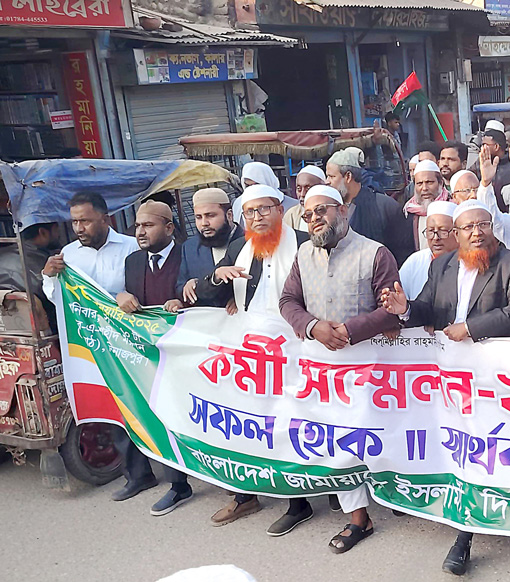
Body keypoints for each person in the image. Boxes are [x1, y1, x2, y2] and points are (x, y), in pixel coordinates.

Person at [379, 199, 510, 577]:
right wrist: (405, 309)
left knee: (493, 449)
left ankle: (505, 521)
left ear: (492, 227)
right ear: (456, 234)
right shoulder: (443, 265)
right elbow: (428, 309)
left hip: (497, 377)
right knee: (465, 450)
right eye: (468, 228)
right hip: (452, 378)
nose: (476, 233)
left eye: (483, 225)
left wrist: (471, 328)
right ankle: (464, 533)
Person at [278, 184, 400, 551]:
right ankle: (358, 518)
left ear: (343, 210)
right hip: (323, 370)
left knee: (376, 439)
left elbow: (391, 310)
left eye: (322, 210)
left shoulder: (375, 253)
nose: (314, 218)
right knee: (337, 441)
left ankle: (401, 499)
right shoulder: (303, 254)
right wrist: (313, 326)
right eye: (308, 214)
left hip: (369, 370)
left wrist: (351, 330)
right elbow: (288, 300)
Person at [195, 184, 310, 528]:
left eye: (264, 209)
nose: (257, 217)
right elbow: (210, 292)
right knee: (249, 425)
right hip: (252, 354)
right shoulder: (239, 247)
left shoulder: (305, 243)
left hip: (297, 350)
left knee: (290, 425)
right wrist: (218, 277)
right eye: (250, 212)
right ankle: (245, 496)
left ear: (280, 209)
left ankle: (298, 503)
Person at [41, 192, 141, 500]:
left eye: (85, 220)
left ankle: (174, 467)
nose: (79, 228)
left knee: (143, 404)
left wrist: (127, 296)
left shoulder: (131, 247)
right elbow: (59, 298)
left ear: (105, 219)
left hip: (130, 341)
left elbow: (144, 287)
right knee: (114, 408)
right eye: (74, 222)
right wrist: (49, 276)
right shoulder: (68, 256)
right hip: (93, 344)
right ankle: (138, 476)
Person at [114, 200, 194, 516]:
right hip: (147, 354)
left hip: (186, 352)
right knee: (159, 412)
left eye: (148, 225)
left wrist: (183, 302)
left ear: (169, 227)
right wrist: (120, 296)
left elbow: (201, 295)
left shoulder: (188, 254)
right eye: (137, 226)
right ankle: (177, 484)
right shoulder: (133, 261)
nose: (140, 232)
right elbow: (126, 300)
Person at [326, 147, 414, 266]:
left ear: (348, 176)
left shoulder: (385, 207)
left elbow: (402, 252)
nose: (327, 181)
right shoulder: (328, 209)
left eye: (331, 176)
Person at [175, 188, 243, 310]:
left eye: (210, 216)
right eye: (198, 217)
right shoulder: (190, 247)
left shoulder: (249, 242)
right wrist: (190, 286)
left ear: (229, 215)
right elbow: (180, 287)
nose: (204, 223)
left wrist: (242, 298)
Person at [0, 221, 61, 329]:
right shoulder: (45, 263)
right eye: (56, 229)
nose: (59, 235)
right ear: (43, 232)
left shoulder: (3, 254)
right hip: (46, 329)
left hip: (7, 328)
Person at [398, 201, 458, 298]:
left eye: (443, 231)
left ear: (457, 233)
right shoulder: (415, 261)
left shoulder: (466, 264)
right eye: (431, 231)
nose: (436, 238)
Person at [403, 159, 451, 252]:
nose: (424, 188)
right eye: (419, 183)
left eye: (429, 182)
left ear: (440, 183)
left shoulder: (451, 207)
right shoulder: (408, 213)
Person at [232, 161, 297, 226]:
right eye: (247, 186)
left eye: (256, 185)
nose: (252, 190)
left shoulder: (292, 206)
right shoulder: (238, 204)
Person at [283, 165, 327, 231]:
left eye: (308, 189)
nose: (302, 194)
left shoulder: (331, 212)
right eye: (299, 189)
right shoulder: (291, 214)